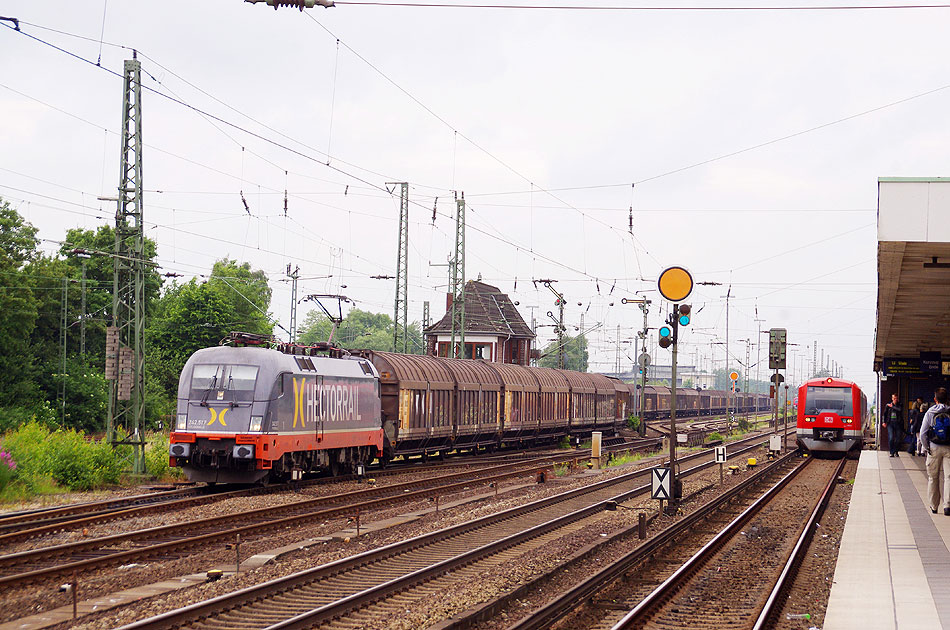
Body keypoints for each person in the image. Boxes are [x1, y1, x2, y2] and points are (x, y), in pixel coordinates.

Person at [919, 388, 950, 514]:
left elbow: (922, 433)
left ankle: (934, 505)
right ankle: (947, 505)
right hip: (949, 447)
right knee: (949, 477)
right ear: (947, 399)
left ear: (935, 399)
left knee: (933, 477)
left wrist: (927, 448)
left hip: (934, 446)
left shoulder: (930, 412)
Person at [883, 393, 903, 457]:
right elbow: (885, 414)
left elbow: (900, 410)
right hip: (890, 423)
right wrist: (884, 422)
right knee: (891, 438)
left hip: (898, 423)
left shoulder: (900, 405)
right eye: (894, 398)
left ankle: (896, 451)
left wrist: (893, 407)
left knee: (898, 439)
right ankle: (892, 452)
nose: (895, 400)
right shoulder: (888, 406)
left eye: (896, 398)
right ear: (892, 399)